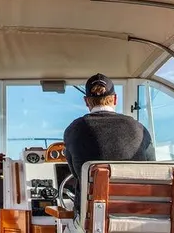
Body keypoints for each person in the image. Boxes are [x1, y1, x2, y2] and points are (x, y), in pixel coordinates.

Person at [63, 73, 156, 216]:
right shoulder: (139, 128)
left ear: (86, 101)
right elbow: (152, 168)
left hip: (92, 217)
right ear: (115, 99)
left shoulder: (74, 130)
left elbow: (77, 173)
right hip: (137, 215)